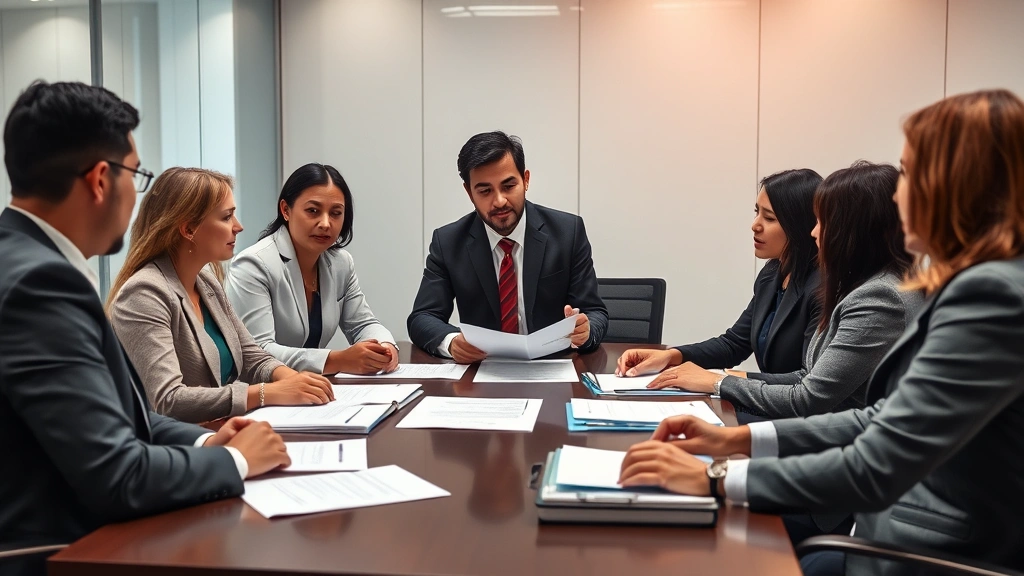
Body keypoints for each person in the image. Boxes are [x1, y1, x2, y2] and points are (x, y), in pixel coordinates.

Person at [618, 89, 1024, 576]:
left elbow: (877, 460)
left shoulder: (991, 295)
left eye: (911, 173)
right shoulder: (976, 283)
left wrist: (717, 475)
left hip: (931, 553)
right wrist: (734, 441)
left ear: (958, 185)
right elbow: (877, 418)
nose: (898, 195)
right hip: (894, 529)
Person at [0, 81, 290, 576]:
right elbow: (118, 475)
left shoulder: (26, 261)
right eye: (136, 175)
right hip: (68, 553)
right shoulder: (41, 284)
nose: (137, 194)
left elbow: (122, 416)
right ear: (99, 180)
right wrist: (235, 461)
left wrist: (203, 443)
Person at [643, 162, 923, 420]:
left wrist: (719, 381)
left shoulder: (875, 297)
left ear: (854, 231)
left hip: (833, 435)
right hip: (817, 422)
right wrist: (686, 361)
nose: (815, 233)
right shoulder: (794, 276)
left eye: (824, 222)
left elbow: (808, 396)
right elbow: (796, 371)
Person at [108, 167, 334, 424]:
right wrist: (263, 393)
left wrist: (290, 378)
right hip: (179, 447)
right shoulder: (143, 294)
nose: (238, 227)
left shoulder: (205, 281)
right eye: (227, 218)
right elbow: (168, 400)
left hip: (219, 428)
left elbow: (252, 357)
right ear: (189, 229)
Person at [407, 131, 608, 363]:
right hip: (483, 373)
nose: (499, 201)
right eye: (485, 191)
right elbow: (422, 317)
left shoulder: (567, 232)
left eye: (508, 185)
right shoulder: (449, 242)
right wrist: (451, 342)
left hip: (553, 370)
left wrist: (587, 331)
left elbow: (596, 313)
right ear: (469, 192)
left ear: (526, 180)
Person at [615, 169, 823, 383]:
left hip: (797, 413)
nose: (755, 225)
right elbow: (734, 345)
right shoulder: (771, 275)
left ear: (801, 225)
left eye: (769, 218)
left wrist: (720, 379)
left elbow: (808, 381)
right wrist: (671, 356)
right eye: (756, 212)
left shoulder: (822, 288)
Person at [227, 163, 398, 375]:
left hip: (311, 391)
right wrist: (337, 360)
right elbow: (258, 352)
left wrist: (385, 348)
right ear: (286, 210)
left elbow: (362, 324)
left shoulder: (341, 263)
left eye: (336, 213)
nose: (325, 223)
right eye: (313, 211)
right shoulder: (253, 265)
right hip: (262, 393)